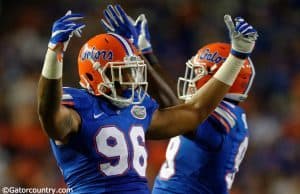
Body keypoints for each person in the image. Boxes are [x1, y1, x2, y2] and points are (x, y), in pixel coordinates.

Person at [37, 5, 257, 194]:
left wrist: (236, 57)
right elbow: (49, 114)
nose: (133, 80)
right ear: (95, 74)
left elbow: (194, 112)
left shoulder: (136, 109)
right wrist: (54, 54)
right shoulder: (79, 108)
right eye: (123, 72)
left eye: (134, 71)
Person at [152, 42, 254, 194]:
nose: (192, 79)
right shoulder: (224, 112)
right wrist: (148, 56)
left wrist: (145, 58)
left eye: (198, 72)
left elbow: (173, 110)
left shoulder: (224, 116)